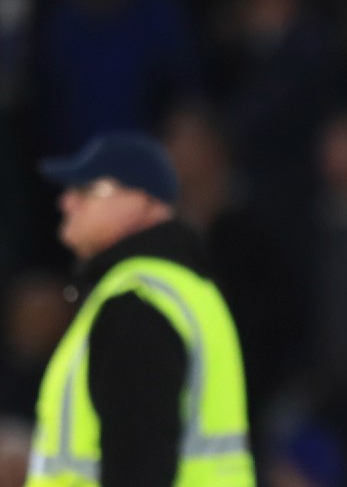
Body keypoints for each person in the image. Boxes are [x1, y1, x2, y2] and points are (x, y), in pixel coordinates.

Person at [26, 133, 255, 486]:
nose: (67, 202)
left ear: (142, 200)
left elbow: (139, 467)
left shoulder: (137, 303)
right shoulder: (185, 289)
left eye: (88, 190)